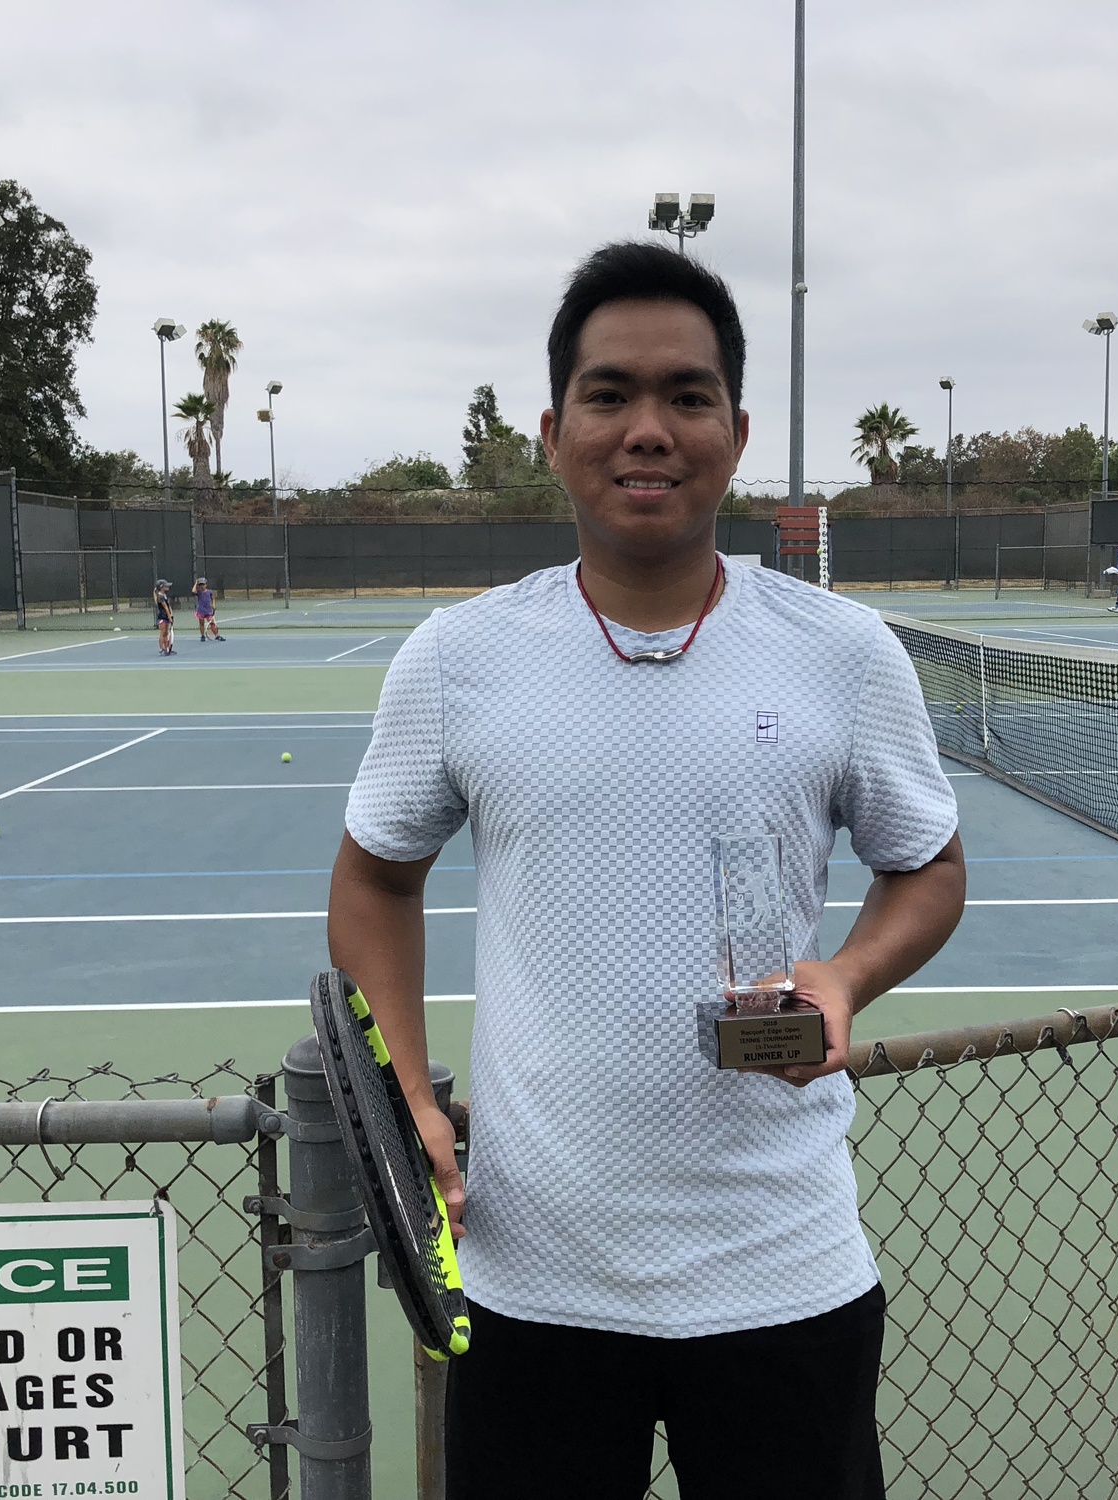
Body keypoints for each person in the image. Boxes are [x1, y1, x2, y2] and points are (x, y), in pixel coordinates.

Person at [327, 242, 966, 1500]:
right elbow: (373, 881)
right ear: (553, 428)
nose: (647, 431)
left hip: (785, 1270)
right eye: (610, 395)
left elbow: (928, 869)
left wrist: (842, 977)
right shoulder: (458, 659)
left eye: (685, 396)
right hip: (531, 1281)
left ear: (734, 428)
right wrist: (408, 1088)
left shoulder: (843, 652)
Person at [192, 576, 223, 641]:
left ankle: (217, 635)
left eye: (203, 584)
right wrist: (196, 583)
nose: (202, 586)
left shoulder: (210, 591)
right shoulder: (199, 592)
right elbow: (193, 591)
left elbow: (213, 598)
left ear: (206, 585)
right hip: (200, 610)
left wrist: (213, 605)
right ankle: (202, 636)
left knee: (212, 623)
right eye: (200, 585)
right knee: (201, 623)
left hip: (208, 610)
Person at [153, 579, 175, 656]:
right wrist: (169, 617)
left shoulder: (164, 595)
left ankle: (167, 649)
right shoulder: (160, 596)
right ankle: (162, 649)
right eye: (166, 586)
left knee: (166, 633)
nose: (168, 587)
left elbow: (168, 606)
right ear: (161, 587)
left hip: (166, 616)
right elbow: (165, 607)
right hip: (162, 616)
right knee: (162, 633)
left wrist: (171, 614)